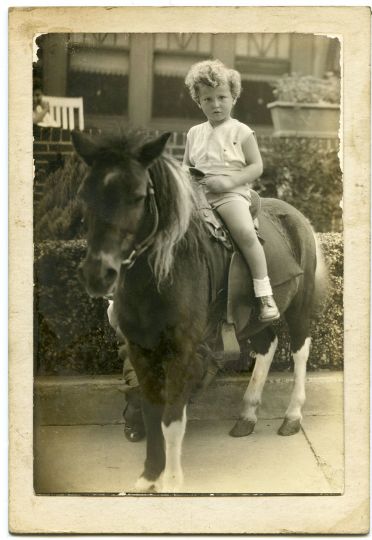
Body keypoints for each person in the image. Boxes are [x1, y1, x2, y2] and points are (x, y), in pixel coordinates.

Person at [183, 59, 280, 322]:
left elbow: (256, 166)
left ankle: (264, 294)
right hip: (198, 195)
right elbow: (186, 166)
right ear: (199, 101)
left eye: (222, 97)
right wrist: (187, 181)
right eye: (208, 99)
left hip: (230, 194)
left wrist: (227, 183)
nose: (215, 104)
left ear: (233, 97)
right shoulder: (193, 133)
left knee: (245, 233)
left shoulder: (241, 131)